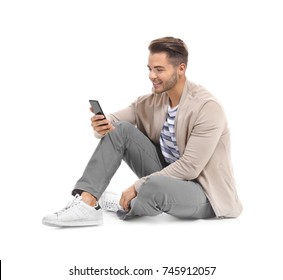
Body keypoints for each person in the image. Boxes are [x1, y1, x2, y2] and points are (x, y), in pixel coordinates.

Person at [42, 36, 242, 227]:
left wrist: (138, 186)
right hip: (165, 176)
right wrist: (101, 126)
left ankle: (123, 201)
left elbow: (190, 167)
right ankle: (87, 203)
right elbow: (114, 122)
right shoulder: (152, 101)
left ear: (181, 69)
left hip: (205, 193)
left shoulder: (207, 107)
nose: (151, 76)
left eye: (159, 70)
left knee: (153, 187)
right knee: (120, 130)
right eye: (150, 69)